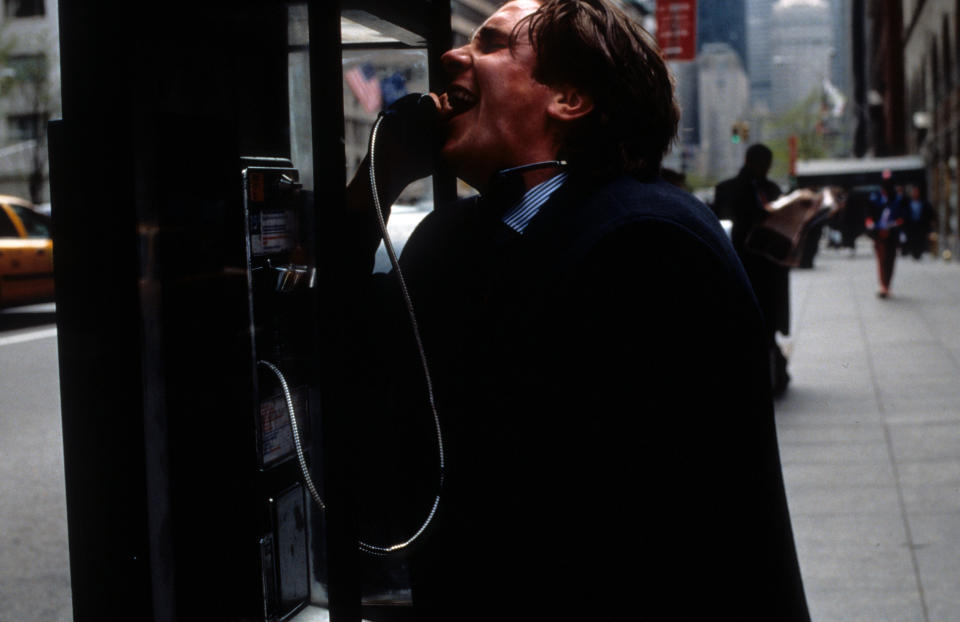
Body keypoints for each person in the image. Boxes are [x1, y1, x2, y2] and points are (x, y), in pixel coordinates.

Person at [340, 1, 809, 619]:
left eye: (493, 44)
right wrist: (374, 181)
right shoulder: (449, 239)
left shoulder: (647, 241)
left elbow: (649, 528)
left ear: (570, 97)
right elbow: (342, 358)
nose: (453, 56)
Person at [714, 144, 791, 395]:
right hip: (747, 265)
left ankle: (773, 373)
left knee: (769, 323)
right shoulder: (730, 189)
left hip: (770, 267)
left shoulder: (773, 190)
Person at [865, 183, 905, 297]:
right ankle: (883, 285)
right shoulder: (875, 199)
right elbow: (869, 214)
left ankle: (887, 284)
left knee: (890, 260)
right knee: (882, 259)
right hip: (879, 234)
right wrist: (870, 223)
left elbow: (902, 216)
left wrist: (895, 223)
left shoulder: (897, 200)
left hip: (892, 234)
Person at [901, 184, 935, 260]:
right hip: (911, 228)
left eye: (916, 192)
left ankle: (919, 254)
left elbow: (930, 216)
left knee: (920, 245)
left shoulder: (925, 204)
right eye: (914, 192)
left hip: (920, 228)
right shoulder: (906, 204)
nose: (915, 193)